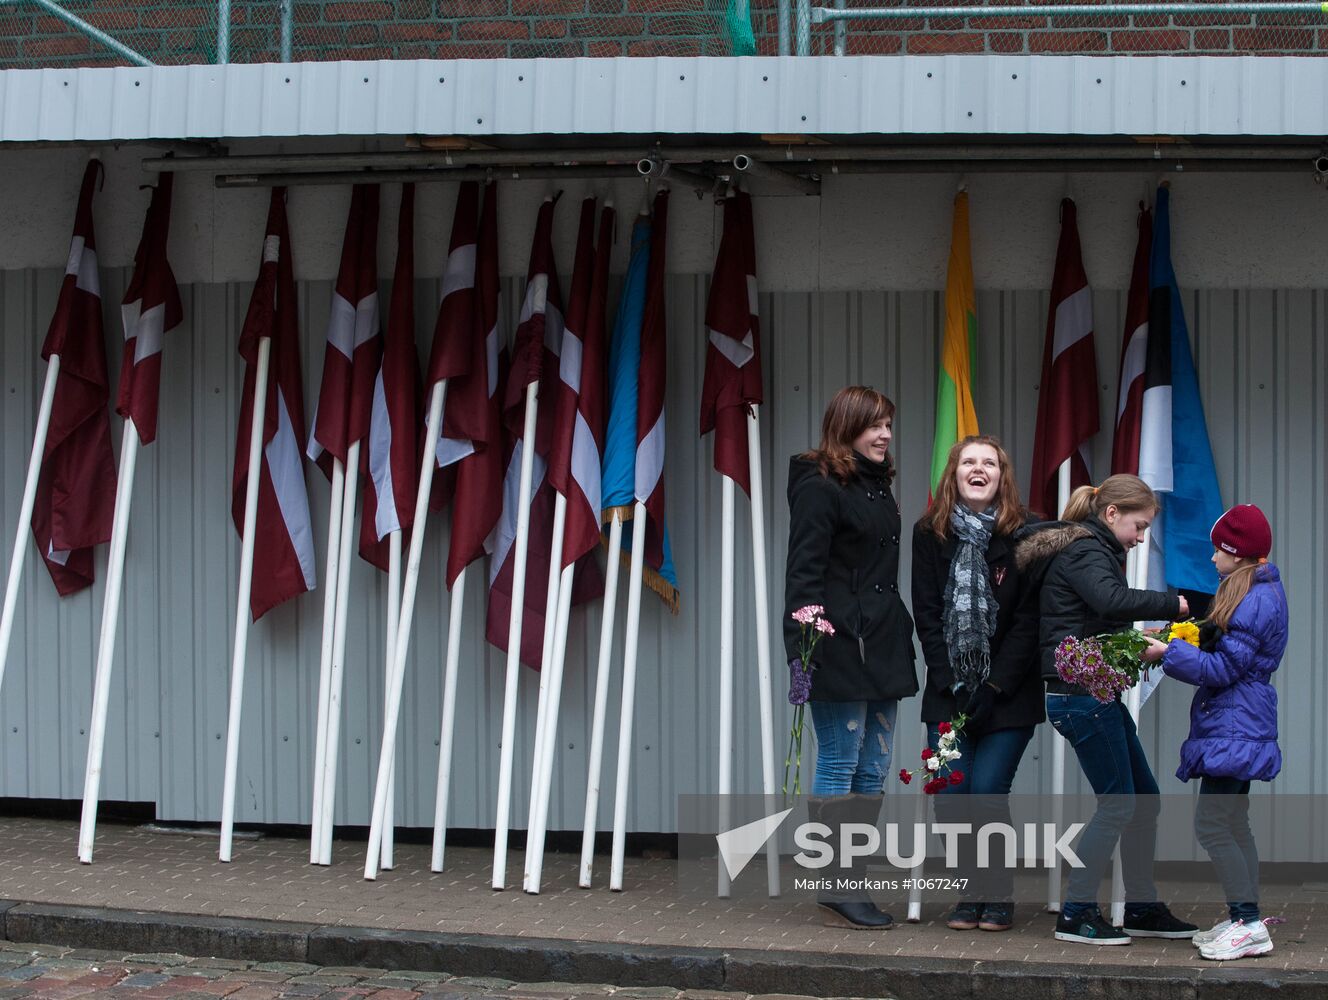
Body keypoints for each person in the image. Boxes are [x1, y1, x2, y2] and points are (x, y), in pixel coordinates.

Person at [1015, 473, 1198, 946]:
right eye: (1138, 527)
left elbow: (1089, 621)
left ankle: (1140, 907)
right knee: (1119, 803)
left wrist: (1138, 642)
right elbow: (1111, 601)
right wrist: (1175, 604)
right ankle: (1076, 913)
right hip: (1079, 698)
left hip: (1091, 694)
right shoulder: (1086, 550)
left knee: (1143, 799)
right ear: (1110, 513)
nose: (1140, 540)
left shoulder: (1092, 549)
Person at [784, 386, 917, 929]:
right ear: (846, 427)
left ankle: (852, 875)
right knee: (841, 759)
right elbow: (804, 571)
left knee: (875, 763)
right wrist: (806, 648)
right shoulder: (821, 484)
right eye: (873, 425)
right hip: (837, 643)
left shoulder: (878, 486)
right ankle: (836, 881)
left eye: (888, 424)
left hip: (882, 641)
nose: (884, 434)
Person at [1140, 504, 1286, 961]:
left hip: (1235, 724)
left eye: (1217, 551)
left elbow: (1225, 668)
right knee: (1232, 821)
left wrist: (1166, 654)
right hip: (1236, 722)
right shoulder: (1248, 590)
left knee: (1212, 824)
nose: (1211, 558)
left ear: (1237, 553)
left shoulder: (1255, 600)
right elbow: (1220, 644)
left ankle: (1247, 924)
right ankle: (1246, 916)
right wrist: (1178, 636)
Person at [912, 435, 1042, 933]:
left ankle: (998, 894)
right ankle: (970, 892)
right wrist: (949, 678)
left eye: (989, 462)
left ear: (1002, 476)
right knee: (951, 791)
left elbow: (1029, 620)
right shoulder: (931, 533)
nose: (979, 469)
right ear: (955, 473)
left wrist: (992, 688)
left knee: (987, 791)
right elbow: (926, 611)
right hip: (948, 689)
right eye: (970, 461)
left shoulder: (1026, 534)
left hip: (1008, 693)